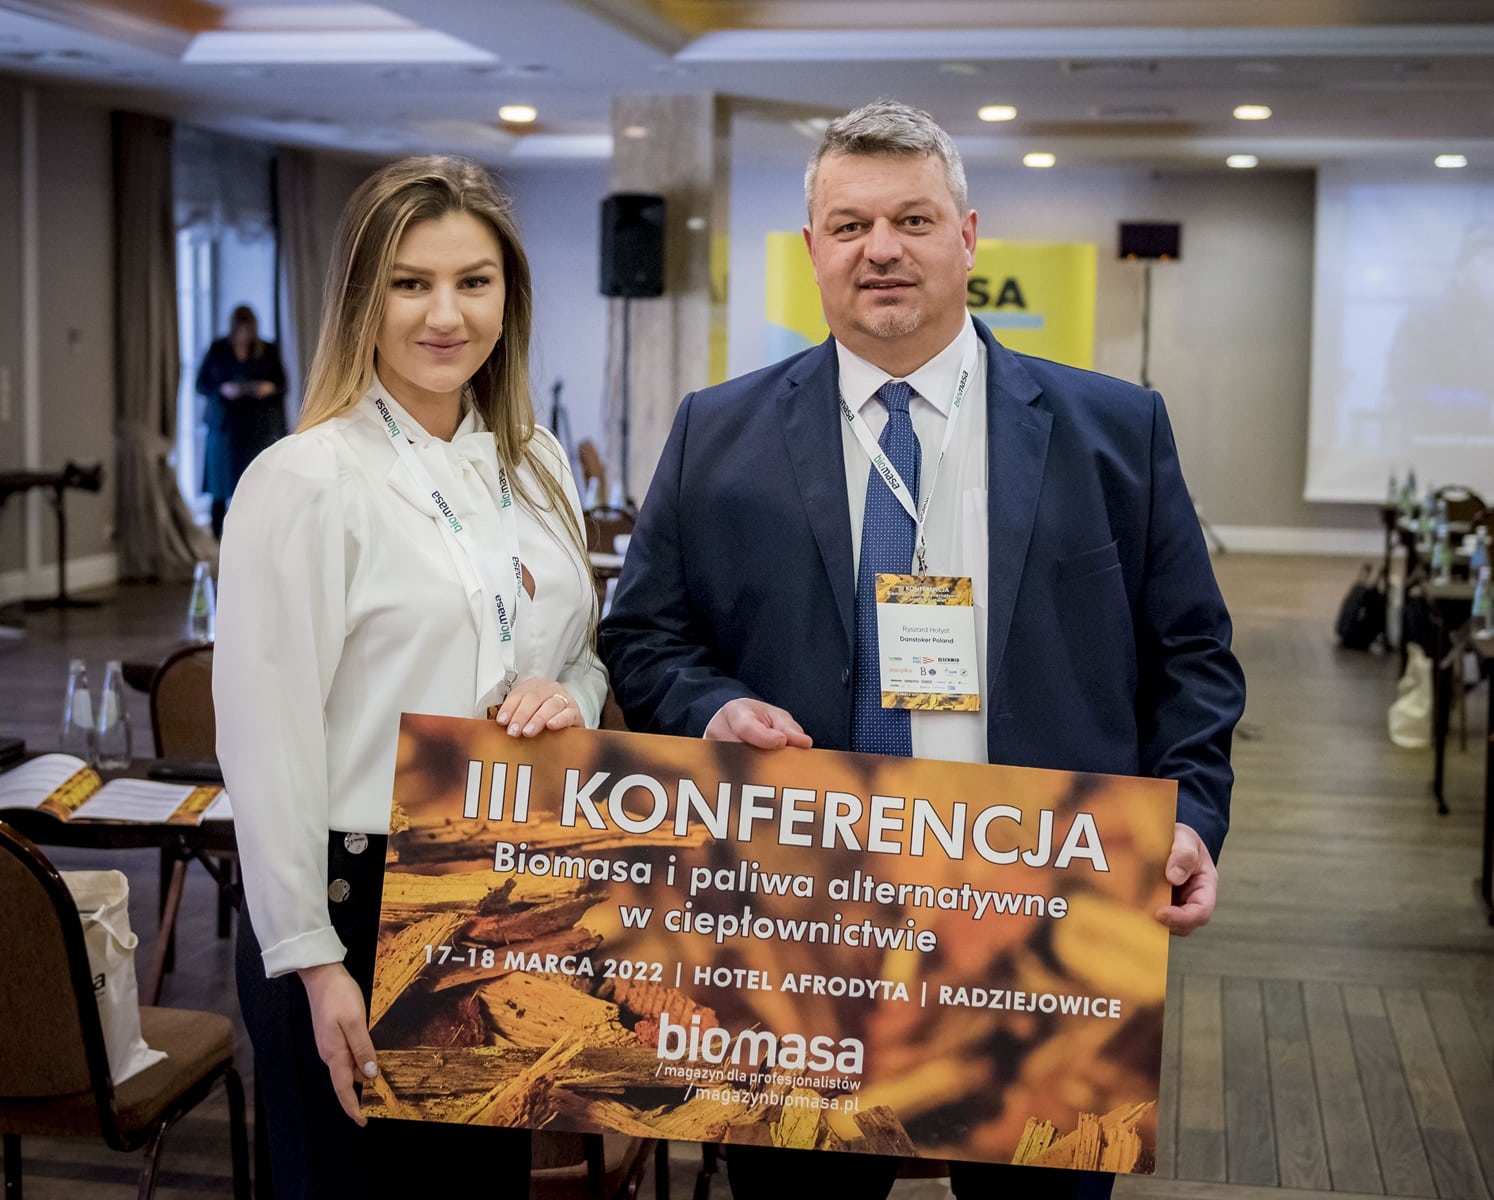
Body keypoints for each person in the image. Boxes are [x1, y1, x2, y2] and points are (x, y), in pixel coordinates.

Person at [599, 100, 1246, 1200]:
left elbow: (1193, 655)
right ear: (813, 248)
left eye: (912, 219)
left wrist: (1188, 816)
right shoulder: (718, 431)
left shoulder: (1114, 430)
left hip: (1043, 917)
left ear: (967, 236)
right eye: (849, 226)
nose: (882, 250)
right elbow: (645, 633)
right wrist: (711, 709)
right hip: (799, 919)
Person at [213, 156, 606, 1198]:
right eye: (410, 283)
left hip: (502, 887)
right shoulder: (304, 479)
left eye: (473, 282)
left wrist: (571, 697)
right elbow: (265, 743)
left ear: (508, 298)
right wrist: (315, 962)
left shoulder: (538, 463)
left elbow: (579, 653)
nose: (445, 314)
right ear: (362, 297)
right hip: (351, 903)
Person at [194, 304, 288, 537]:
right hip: (225, 426)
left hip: (256, 427)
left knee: (255, 485)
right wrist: (223, 389)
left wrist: (267, 388)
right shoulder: (219, 349)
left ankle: (254, 536)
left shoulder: (267, 350)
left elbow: (282, 384)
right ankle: (217, 538)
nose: (244, 335)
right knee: (220, 484)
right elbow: (201, 384)